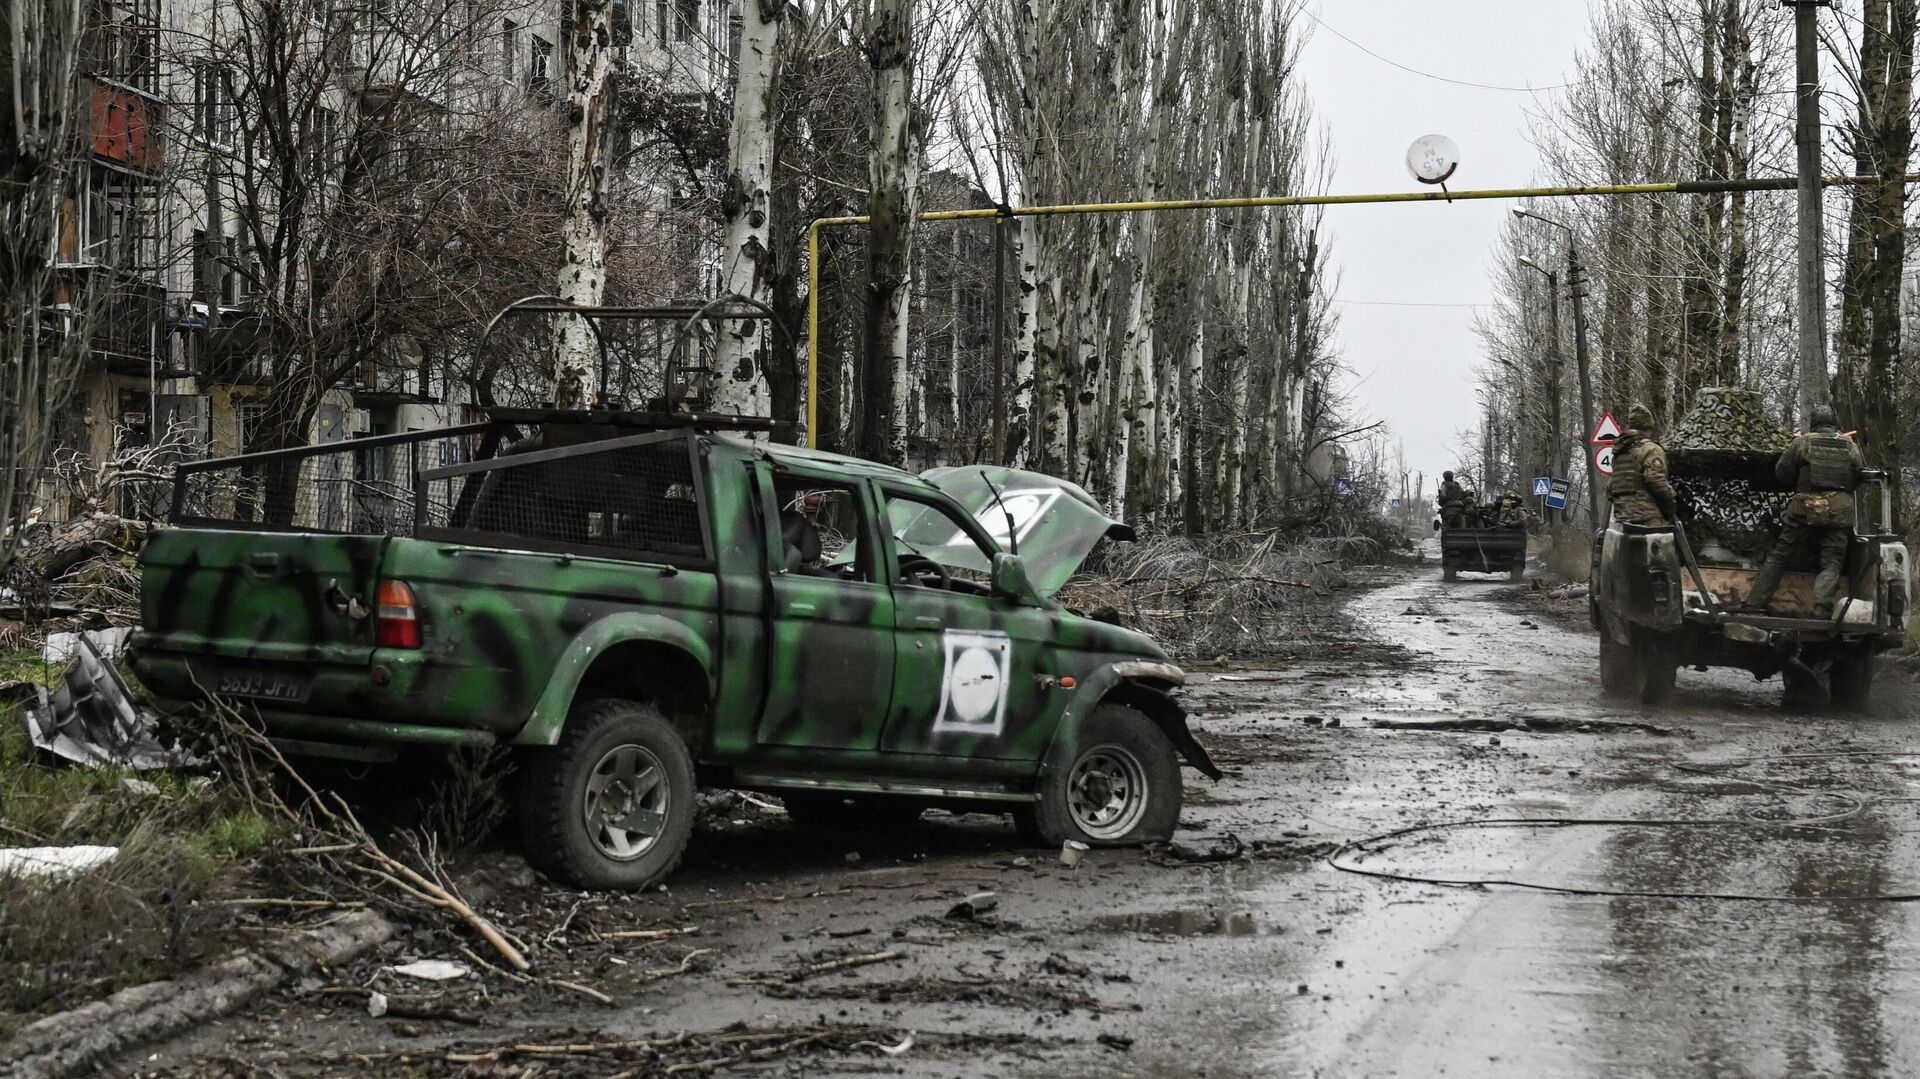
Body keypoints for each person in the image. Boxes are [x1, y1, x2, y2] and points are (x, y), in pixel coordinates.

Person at [1739, 405, 1862, 619]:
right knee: (1832, 562)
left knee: (1780, 556)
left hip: (1803, 510)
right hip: (1838, 513)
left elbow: (1782, 473)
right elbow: (1859, 475)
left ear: (1813, 422)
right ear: (1834, 424)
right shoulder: (1850, 447)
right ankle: (1822, 609)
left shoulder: (1801, 442)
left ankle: (1754, 603)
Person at [1608, 404, 1676, 527]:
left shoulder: (1619, 452)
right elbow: (1656, 481)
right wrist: (1670, 505)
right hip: (1647, 517)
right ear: (1649, 426)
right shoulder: (1650, 449)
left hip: (1622, 518)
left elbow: (1611, 487)